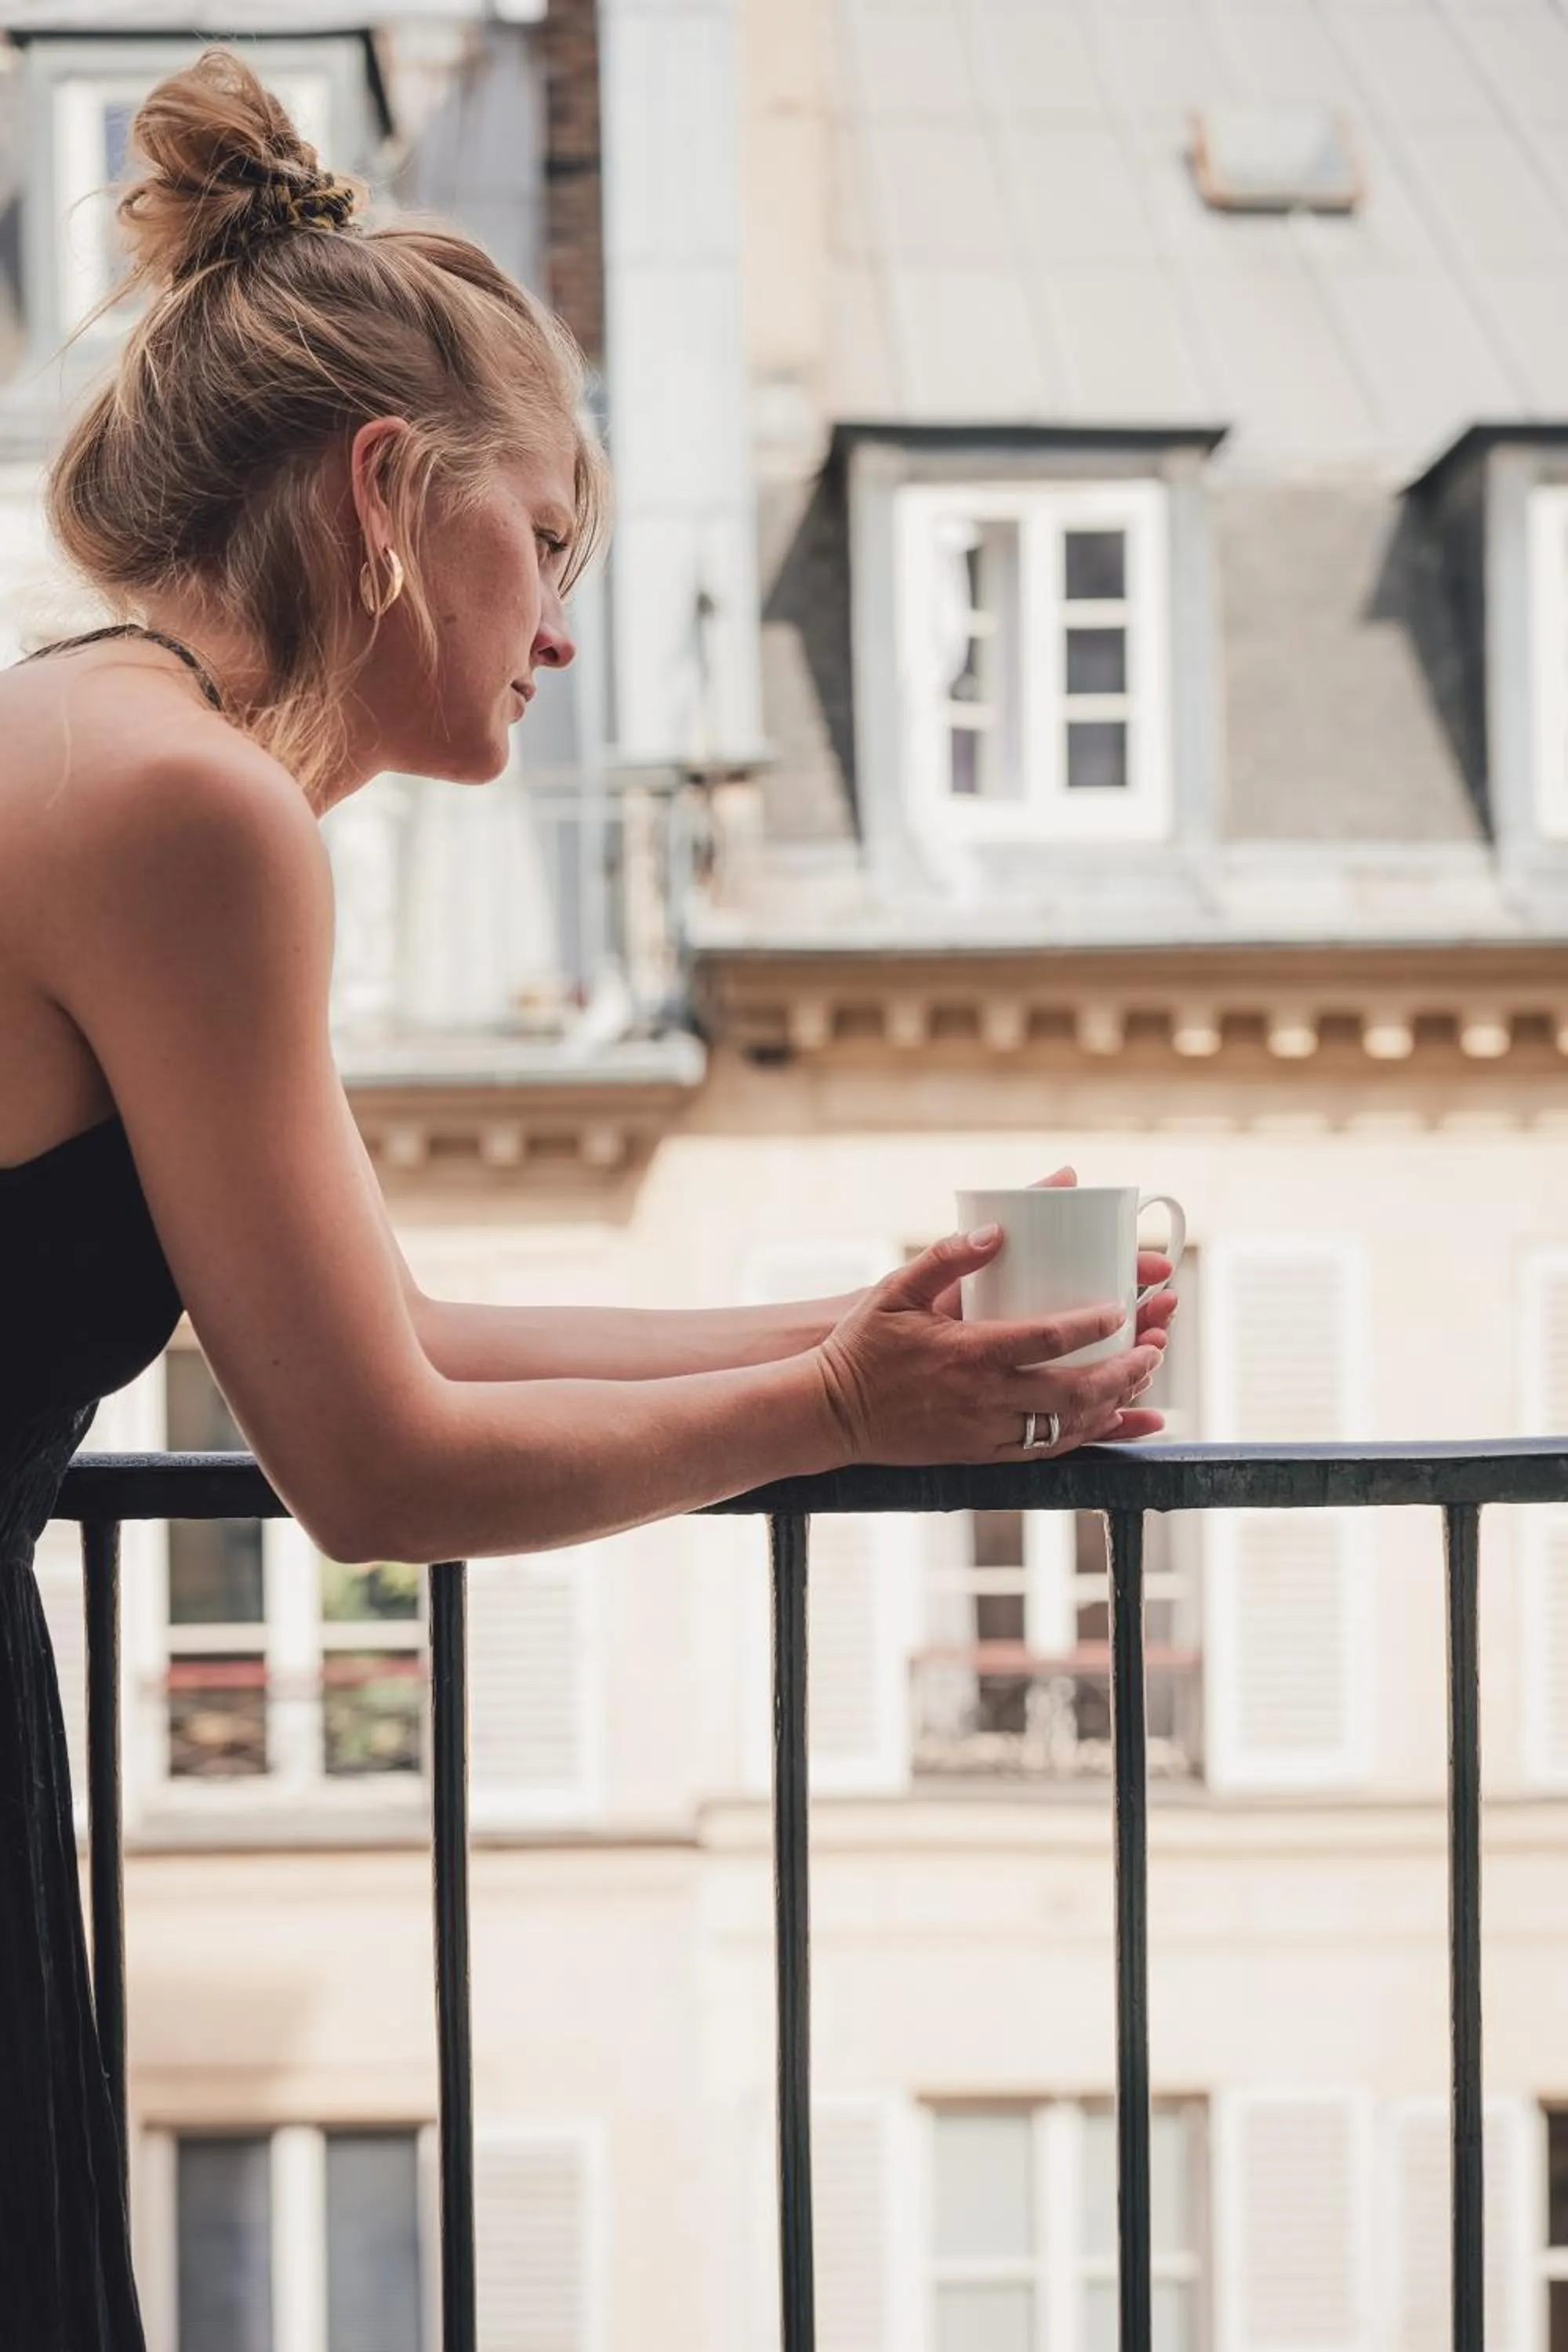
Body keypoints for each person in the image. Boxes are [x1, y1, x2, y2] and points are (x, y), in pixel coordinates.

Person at [0, 49, 1173, 2347]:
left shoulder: (87, 734)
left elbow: (393, 1327)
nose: (558, 629)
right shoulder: (194, 822)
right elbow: (374, 1463)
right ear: (382, 493)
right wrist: (838, 1409)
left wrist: (870, 1326)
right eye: (545, 541)